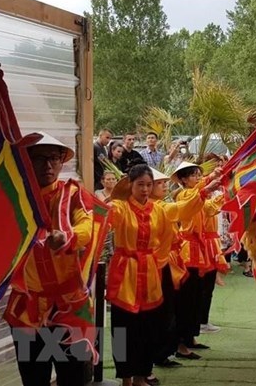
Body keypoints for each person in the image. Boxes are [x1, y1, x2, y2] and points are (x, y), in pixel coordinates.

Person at [106, 164, 221, 386]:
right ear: (130, 185)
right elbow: (105, 215)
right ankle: (125, 378)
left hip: (150, 273)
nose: (145, 189)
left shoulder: (159, 209)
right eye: (140, 185)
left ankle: (141, 375)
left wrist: (204, 191)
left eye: (149, 185)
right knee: (122, 328)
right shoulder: (121, 207)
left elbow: (181, 209)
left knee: (149, 326)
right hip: (125, 273)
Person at [4, 132, 94, 386]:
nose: (48, 165)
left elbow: (86, 227)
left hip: (69, 305)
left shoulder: (71, 195)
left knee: (74, 377)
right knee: (33, 378)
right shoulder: (15, 199)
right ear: (27, 162)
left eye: (54, 158)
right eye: (40, 158)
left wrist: (67, 237)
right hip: (27, 307)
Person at [172, 162, 227, 358]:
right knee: (187, 297)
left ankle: (191, 336)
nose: (197, 178)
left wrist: (224, 193)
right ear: (183, 179)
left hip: (203, 248)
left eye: (199, 174)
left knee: (198, 295)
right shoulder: (184, 195)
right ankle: (180, 342)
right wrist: (211, 178)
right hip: (188, 250)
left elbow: (209, 207)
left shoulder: (199, 196)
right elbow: (197, 196)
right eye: (193, 175)